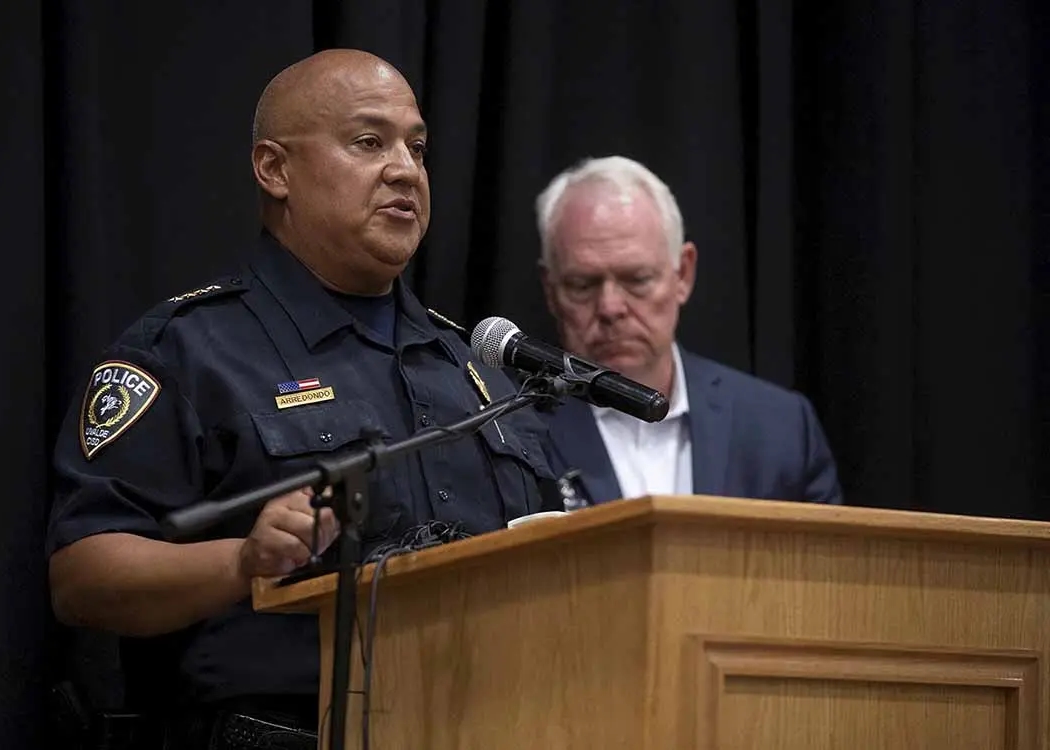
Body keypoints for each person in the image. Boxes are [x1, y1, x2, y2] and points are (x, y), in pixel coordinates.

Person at [46, 49, 559, 749]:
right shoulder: (190, 351)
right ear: (274, 168)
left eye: (417, 147)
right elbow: (83, 576)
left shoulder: (472, 368)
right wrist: (242, 562)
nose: (406, 169)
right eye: (369, 142)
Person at [534, 156, 843, 506]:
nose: (610, 307)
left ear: (683, 274)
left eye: (637, 280)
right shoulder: (510, 430)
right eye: (581, 284)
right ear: (550, 289)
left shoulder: (779, 429)